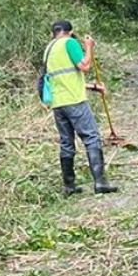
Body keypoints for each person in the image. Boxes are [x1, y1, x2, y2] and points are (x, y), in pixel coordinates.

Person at [43, 20, 118, 196]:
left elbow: (62, 77)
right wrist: (89, 47)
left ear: (53, 32)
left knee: (66, 143)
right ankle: (100, 182)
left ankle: (69, 186)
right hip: (74, 101)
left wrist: (92, 86)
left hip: (58, 103)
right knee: (91, 137)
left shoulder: (49, 49)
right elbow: (84, 66)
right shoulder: (69, 43)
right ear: (70, 32)